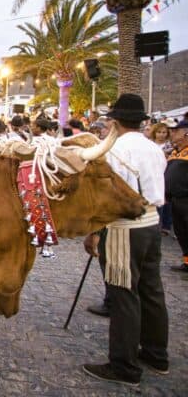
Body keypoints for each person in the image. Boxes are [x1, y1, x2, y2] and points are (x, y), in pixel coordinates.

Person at [82, 94, 169, 387]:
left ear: (115, 123)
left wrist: (94, 230)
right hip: (152, 222)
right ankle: (156, 354)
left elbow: (107, 198)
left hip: (123, 227)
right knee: (151, 290)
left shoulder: (115, 151)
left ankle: (124, 365)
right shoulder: (154, 148)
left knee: (123, 294)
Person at [165, 118, 188, 272]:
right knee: (181, 231)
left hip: (186, 198)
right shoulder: (174, 152)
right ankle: (187, 261)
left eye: (176, 131)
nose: (171, 133)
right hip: (175, 199)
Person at [148, 122, 173, 236]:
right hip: (152, 173)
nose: (161, 135)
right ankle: (154, 224)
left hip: (165, 173)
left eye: (164, 132)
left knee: (165, 201)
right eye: (159, 132)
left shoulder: (170, 146)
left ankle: (164, 225)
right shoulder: (150, 144)